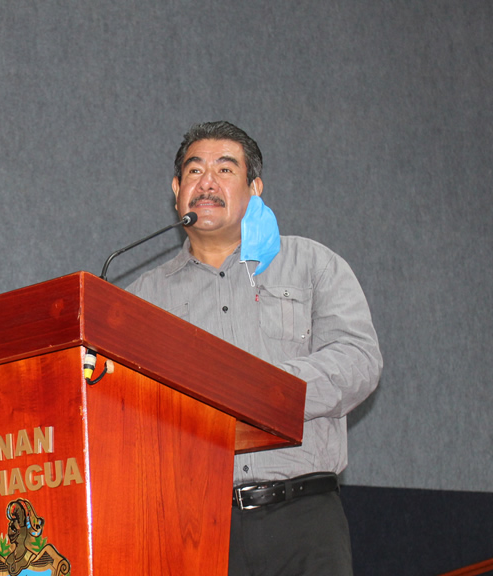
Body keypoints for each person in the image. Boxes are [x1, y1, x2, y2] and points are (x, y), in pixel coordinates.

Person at [127, 121, 382, 576]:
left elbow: (358, 360)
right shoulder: (142, 298)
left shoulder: (311, 264)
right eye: (194, 171)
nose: (207, 182)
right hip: (192, 526)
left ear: (255, 188)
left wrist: (261, 388)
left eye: (225, 170)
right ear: (176, 190)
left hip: (302, 518)